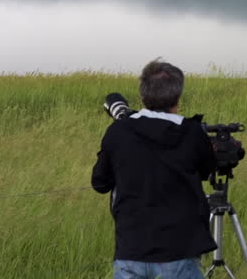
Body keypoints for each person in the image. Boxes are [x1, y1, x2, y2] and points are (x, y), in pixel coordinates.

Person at [91, 59, 216, 279]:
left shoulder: (118, 132)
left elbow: (99, 183)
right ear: (177, 97)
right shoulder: (192, 132)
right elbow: (208, 170)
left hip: (131, 249)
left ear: (142, 95)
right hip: (178, 250)